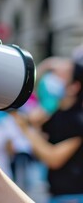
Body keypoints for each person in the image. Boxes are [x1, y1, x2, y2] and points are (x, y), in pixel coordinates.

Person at [12, 56, 83, 202]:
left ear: (74, 86)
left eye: (61, 74)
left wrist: (27, 129)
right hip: (57, 195)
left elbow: (54, 158)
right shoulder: (56, 114)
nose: (52, 78)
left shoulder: (77, 121)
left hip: (72, 196)